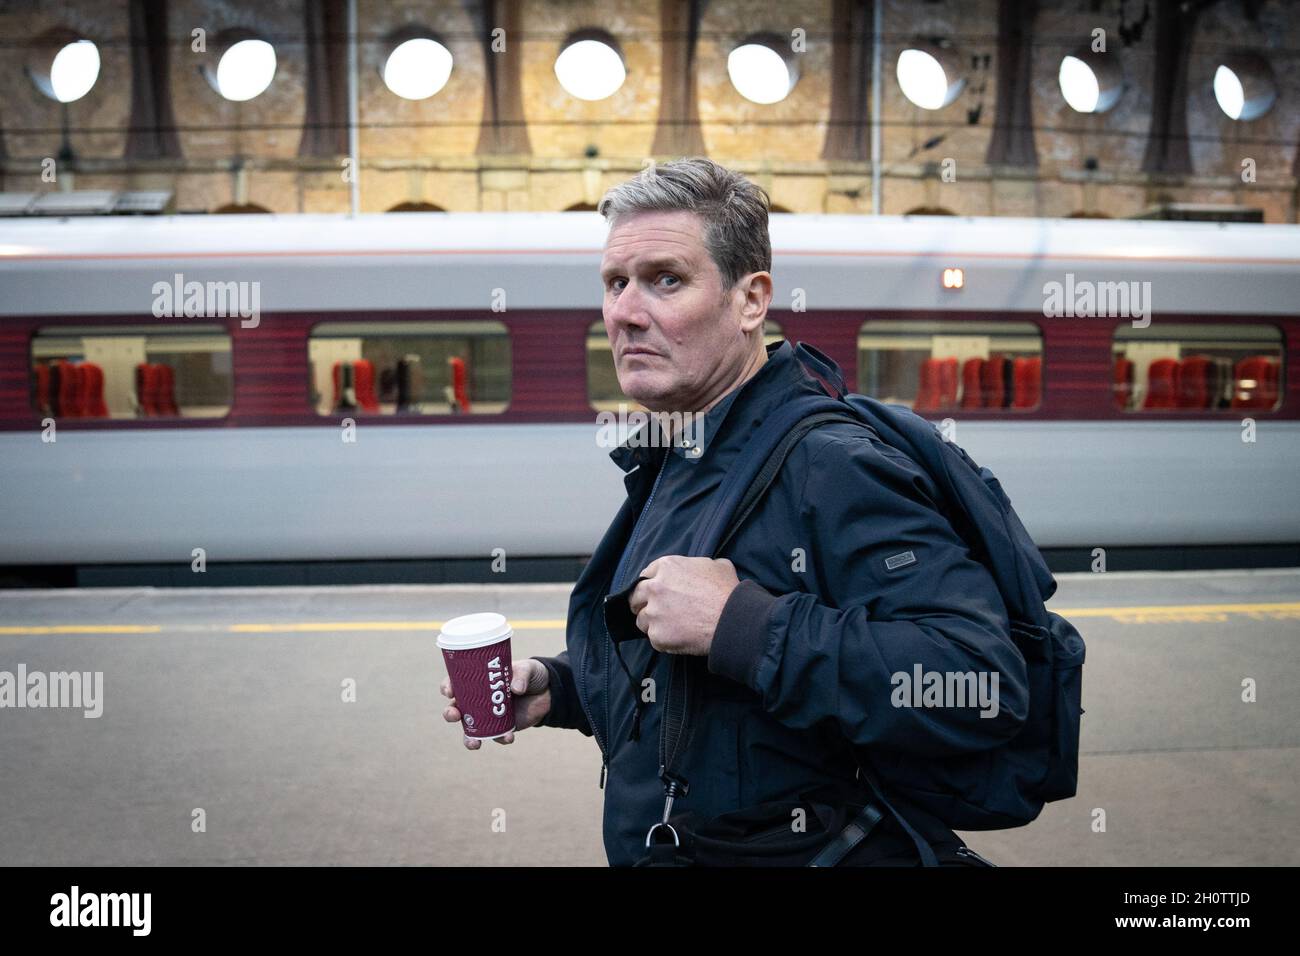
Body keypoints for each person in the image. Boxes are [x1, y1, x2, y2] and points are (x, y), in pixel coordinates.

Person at [441, 157, 1028, 866]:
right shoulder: (687, 449)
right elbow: (685, 660)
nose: (624, 312)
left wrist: (743, 623)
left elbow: (982, 682)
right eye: (614, 284)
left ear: (751, 301)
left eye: (666, 280)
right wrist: (561, 687)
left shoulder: (830, 463)